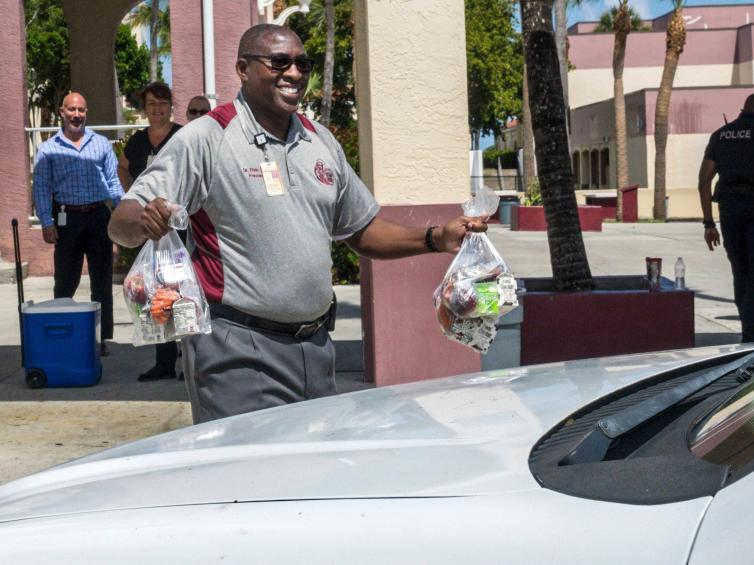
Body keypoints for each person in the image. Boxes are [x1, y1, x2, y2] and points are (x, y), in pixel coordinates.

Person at [108, 24, 487, 423]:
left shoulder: (319, 141)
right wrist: (146, 219)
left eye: (302, 64)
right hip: (237, 351)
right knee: (250, 477)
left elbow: (360, 228)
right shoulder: (208, 137)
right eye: (279, 62)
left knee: (309, 476)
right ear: (242, 68)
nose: (294, 73)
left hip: (315, 349)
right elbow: (121, 221)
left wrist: (435, 238)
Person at [33, 92, 124, 356]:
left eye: (81, 110)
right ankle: (63, 333)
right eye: (71, 110)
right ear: (62, 112)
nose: (76, 115)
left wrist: (124, 212)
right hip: (66, 219)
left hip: (98, 217)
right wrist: (47, 223)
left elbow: (114, 182)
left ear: (86, 112)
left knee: (101, 282)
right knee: (65, 282)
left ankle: (102, 339)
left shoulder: (102, 144)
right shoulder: (49, 149)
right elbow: (41, 188)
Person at [697, 93, 754, 343]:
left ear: (742, 109)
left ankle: (750, 332)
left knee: (741, 272)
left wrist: (708, 223)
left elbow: (704, 181)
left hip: (729, 210)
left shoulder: (720, 135)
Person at [118, 82, 184, 382]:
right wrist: (132, 197)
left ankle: (193, 360)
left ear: (171, 106)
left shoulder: (183, 136)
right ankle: (165, 362)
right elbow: (123, 166)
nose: (157, 109)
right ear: (144, 109)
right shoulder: (138, 140)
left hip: (180, 227)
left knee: (186, 293)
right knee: (159, 295)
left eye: (162, 103)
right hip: (150, 228)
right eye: (151, 104)